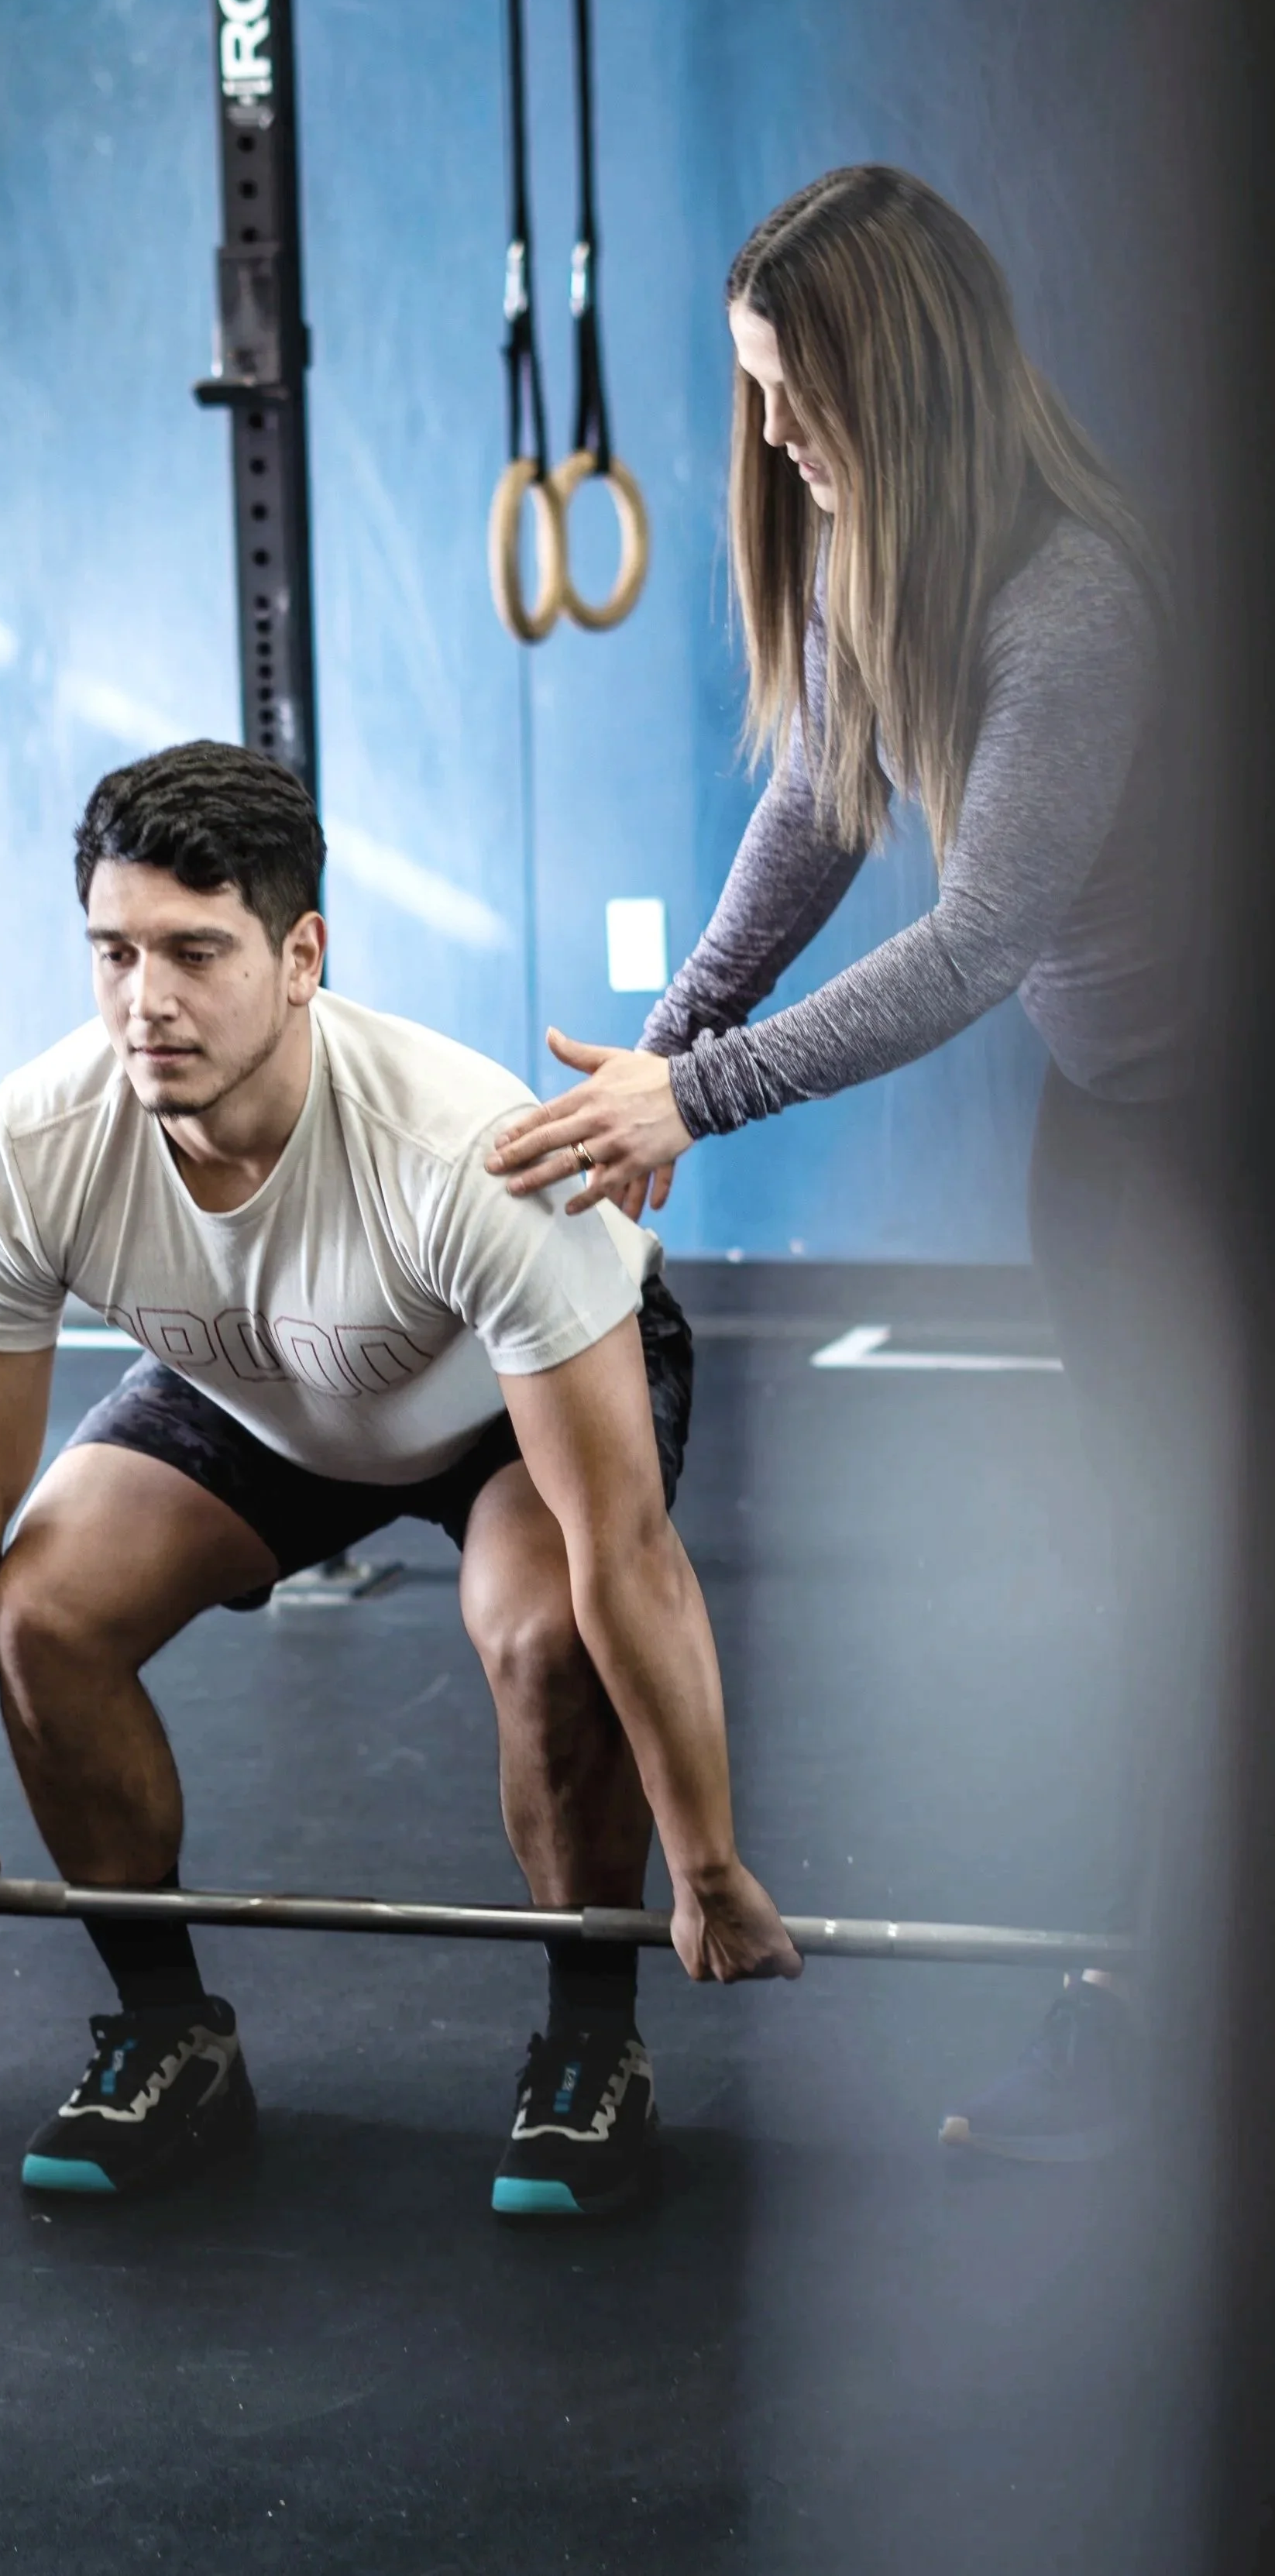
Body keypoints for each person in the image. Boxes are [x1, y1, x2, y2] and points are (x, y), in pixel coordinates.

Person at [487, 164, 1186, 2165]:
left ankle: (1142, 2013)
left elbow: (969, 940)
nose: (775, 441)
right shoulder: (878, 553)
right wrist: (664, 1040)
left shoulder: (1071, 599)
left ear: (904, 375)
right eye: (755, 400)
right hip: (1108, 1140)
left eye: (795, 398)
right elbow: (811, 814)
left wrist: (688, 1105)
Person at [0, 740, 800, 2216]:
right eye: (112, 951)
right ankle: (168, 2031)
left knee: (546, 1625)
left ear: (301, 954)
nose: (145, 999)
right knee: (42, 1607)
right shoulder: (32, 1147)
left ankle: (587, 2040)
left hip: (499, 1407)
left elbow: (625, 1546)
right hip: (262, 1387)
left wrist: (705, 1860)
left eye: (194, 951)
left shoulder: (462, 1150)